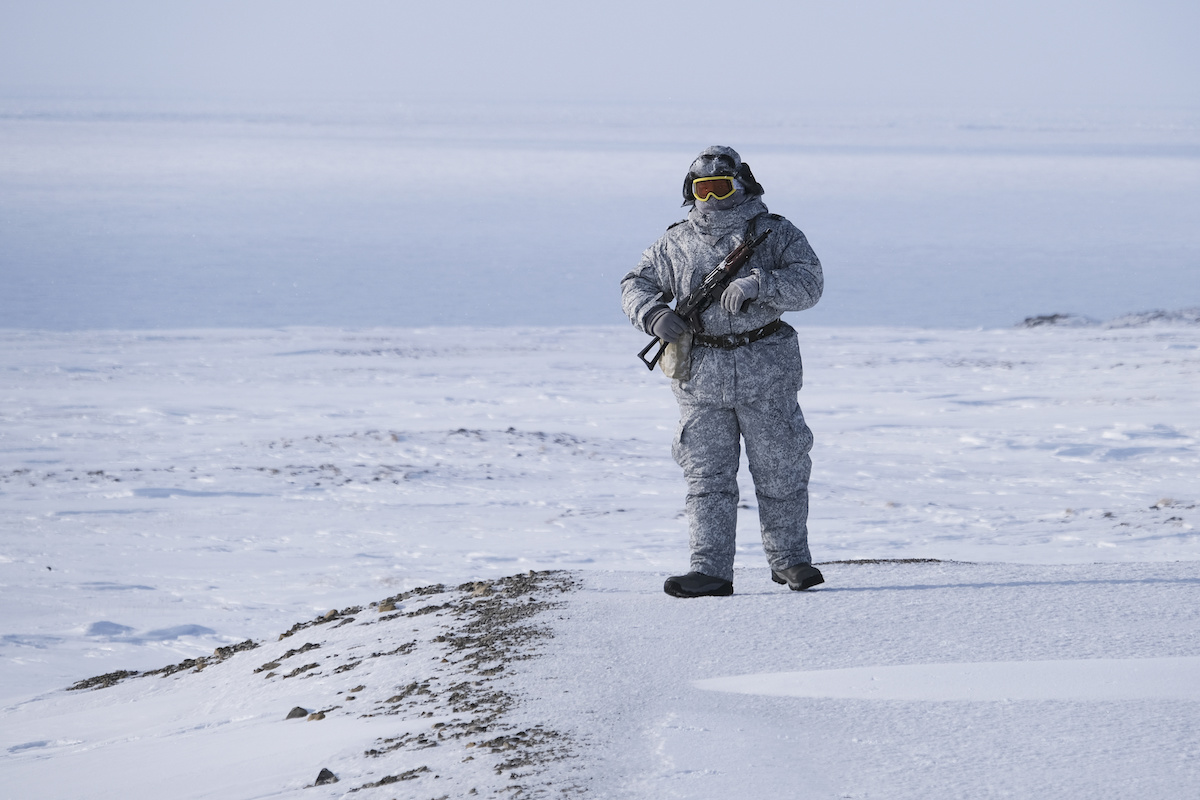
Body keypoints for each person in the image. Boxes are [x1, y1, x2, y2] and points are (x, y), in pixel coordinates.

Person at [620, 145, 825, 598]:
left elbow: (811, 284)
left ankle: (790, 561)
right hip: (700, 376)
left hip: (765, 370)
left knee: (782, 468)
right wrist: (653, 314)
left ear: (742, 185)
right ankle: (709, 570)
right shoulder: (674, 242)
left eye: (721, 187)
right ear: (690, 192)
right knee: (706, 477)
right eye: (703, 189)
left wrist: (761, 284)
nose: (712, 198)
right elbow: (635, 283)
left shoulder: (775, 233)